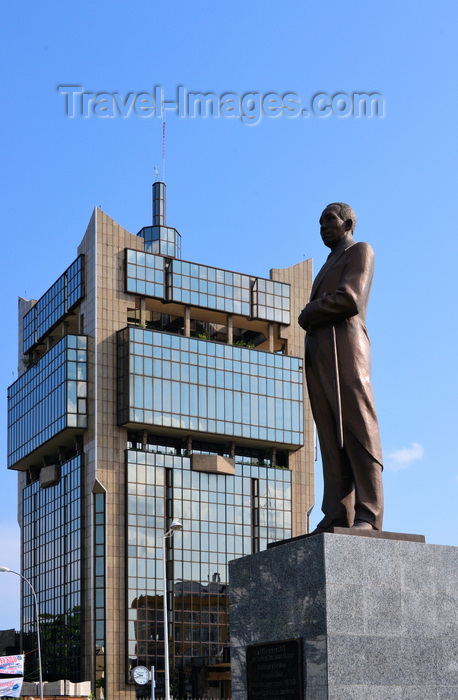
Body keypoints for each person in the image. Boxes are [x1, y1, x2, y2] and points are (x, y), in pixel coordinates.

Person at [298, 203, 383, 531]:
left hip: (346, 348)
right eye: (319, 222)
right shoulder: (329, 262)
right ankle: (337, 513)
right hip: (321, 352)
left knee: (358, 428)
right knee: (331, 435)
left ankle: (369, 514)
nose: (323, 226)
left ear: (348, 222)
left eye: (329, 220)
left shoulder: (360, 251)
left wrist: (310, 311)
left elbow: (350, 298)